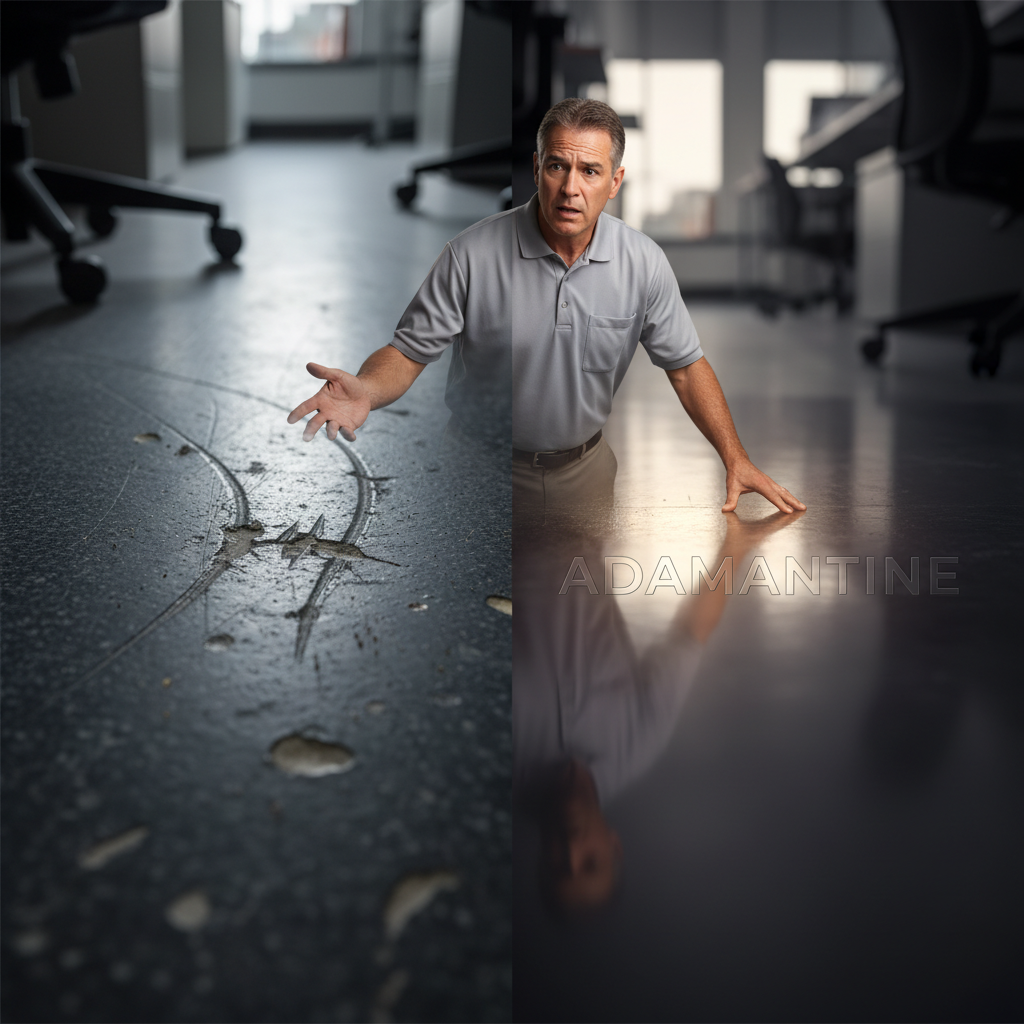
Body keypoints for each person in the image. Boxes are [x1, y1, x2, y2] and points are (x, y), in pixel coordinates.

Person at [287, 98, 805, 517]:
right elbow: (408, 352)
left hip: (585, 472)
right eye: (558, 166)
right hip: (476, 469)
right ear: (537, 169)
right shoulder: (471, 253)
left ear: (615, 182)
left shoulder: (643, 262)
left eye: (590, 171)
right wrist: (368, 391)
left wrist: (735, 458)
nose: (571, 188)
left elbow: (687, 370)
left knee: (583, 627)